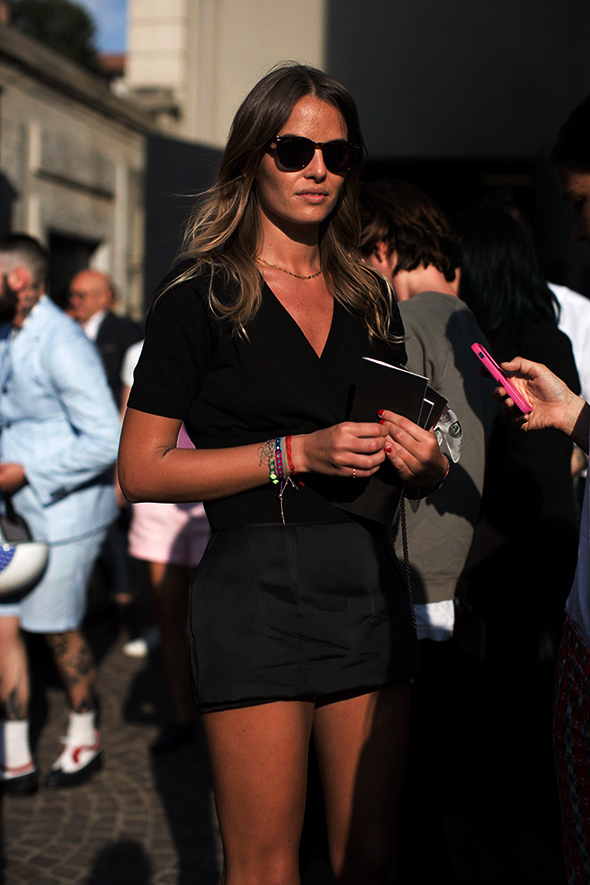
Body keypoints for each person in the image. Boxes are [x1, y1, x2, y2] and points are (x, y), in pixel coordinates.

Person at [118, 63, 448, 884]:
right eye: (295, 149)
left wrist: (427, 464)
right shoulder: (198, 295)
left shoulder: (370, 296)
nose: (318, 169)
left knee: (370, 858)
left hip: (368, 586)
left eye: (338, 154)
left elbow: (404, 437)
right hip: (254, 589)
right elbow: (140, 468)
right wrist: (292, 453)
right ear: (252, 156)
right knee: (266, 867)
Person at [357, 179, 497, 882]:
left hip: (415, 578)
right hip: (455, 576)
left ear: (384, 249)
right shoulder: (467, 321)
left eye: (361, 254)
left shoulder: (410, 321)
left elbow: (390, 446)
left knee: (405, 797)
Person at [456, 207, 580, 867]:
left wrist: (459, 563)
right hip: (513, 578)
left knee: (529, 771)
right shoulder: (497, 339)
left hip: (533, 580)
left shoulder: (536, 345)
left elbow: (529, 481)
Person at [0, 235, 120, 794]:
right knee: (3, 628)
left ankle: (84, 734)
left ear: (18, 280)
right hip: (12, 516)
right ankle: (15, 754)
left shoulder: (62, 342)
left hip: (64, 518)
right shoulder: (9, 333)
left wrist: (26, 472)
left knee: (55, 631)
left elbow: (107, 438)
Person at [121, 340, 210, 753]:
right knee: (169, 614)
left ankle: (219, 712)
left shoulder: (225, 336)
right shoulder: (139, 352)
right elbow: (127, 422)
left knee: (215, 616)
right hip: (159, 503)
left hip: (214, 493)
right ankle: (180, 714)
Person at [68, 269, 143, 623]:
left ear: (105, 297)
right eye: (72, 295)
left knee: (115, 525)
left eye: (81, 295)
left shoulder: (126, 333)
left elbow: (131, 399)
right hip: (77, 443)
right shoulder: (66, 330)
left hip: (110, 442)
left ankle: (124, 600)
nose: (74, 301)